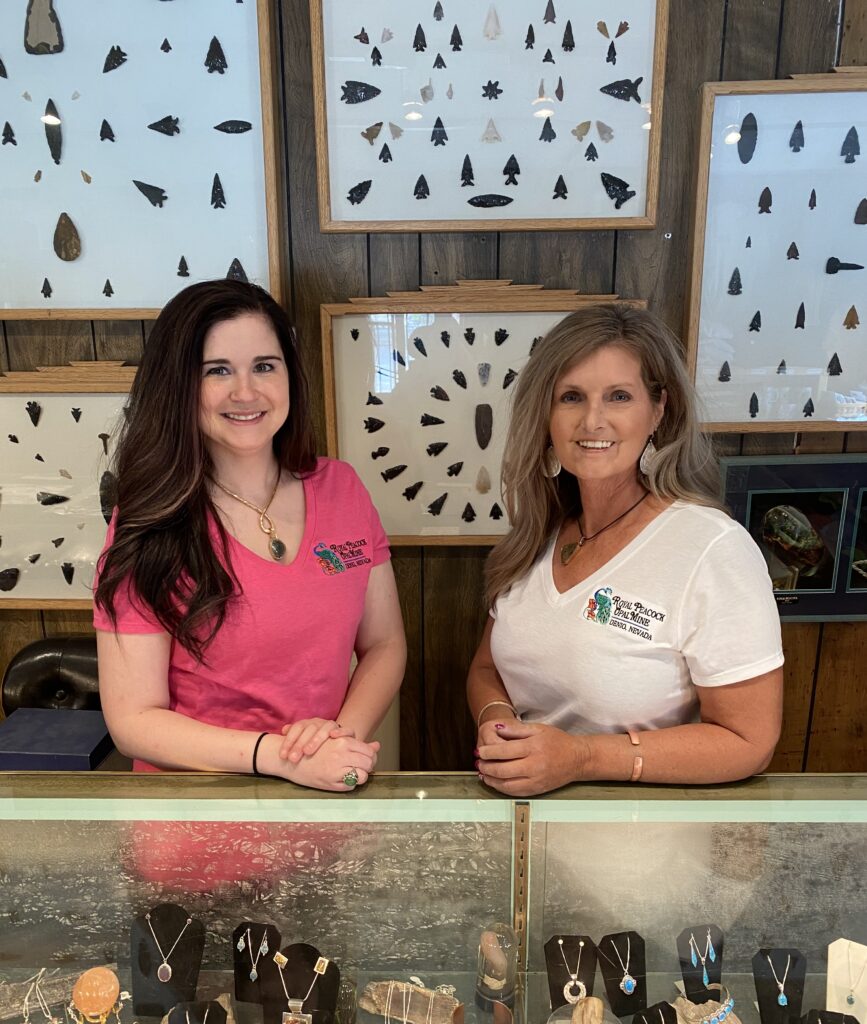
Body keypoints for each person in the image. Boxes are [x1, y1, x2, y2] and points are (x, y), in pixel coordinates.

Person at [94, 280, 406, 791]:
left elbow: (386, 643)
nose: (246, 392)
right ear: (179, 386)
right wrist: (278, 756)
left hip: (319, 803)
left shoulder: (342, 488)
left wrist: (333, 741)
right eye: (218, 371)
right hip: (196, 821)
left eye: (265, 366)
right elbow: (133, 722)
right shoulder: (148, 521)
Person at [468, 304, 783, 796]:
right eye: (571, 397)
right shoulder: (538, 534)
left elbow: (748, 741)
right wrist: (497, 721)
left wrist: (581, 758)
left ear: (658, 410)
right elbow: (488, 669)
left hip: (645, 852)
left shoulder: (711, 547)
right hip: (531, 834)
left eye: (618, 396)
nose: (593, 421)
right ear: (545, 415)